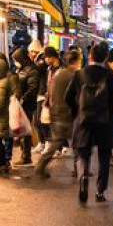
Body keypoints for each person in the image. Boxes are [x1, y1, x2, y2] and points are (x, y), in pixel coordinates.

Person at [66, 43, 113, 203]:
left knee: (83, 153)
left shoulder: (79, 74)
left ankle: (83, 176)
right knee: (104, 157)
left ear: (89, 56)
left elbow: (68, 97)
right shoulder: (110, 76)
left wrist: (76, 113)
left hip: (83, 119)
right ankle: (100, 191)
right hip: (105, 121)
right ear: (105, 58)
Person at [35, 49, 79, 179]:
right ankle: (79, 169)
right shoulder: (74, 75)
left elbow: (51, 92)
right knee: (78, 143)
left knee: (55, 143)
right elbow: (76, 97)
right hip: (69, 114)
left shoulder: (58, 74)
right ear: (76, 61)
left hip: (56, 112)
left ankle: (40, 167)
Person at [11, 47, 41, 166]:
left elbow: (33, 87)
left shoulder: (33, 70)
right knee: (22, 129)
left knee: (26, 130)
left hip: (27, 104)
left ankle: (26, 156)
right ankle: (24, 153)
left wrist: (24, 98)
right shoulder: (22, 69)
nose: (15, 62)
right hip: (20, 103)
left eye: (16, 59)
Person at [33, 47, 61, 154]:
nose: (46, 60)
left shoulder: (60, 67)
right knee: (42, 121)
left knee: (53, 124)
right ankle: (47, 143)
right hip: (47, 97)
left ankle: (57, 147)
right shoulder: (49, 68)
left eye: (47, 57)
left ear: (53, 57)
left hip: (56, 99)